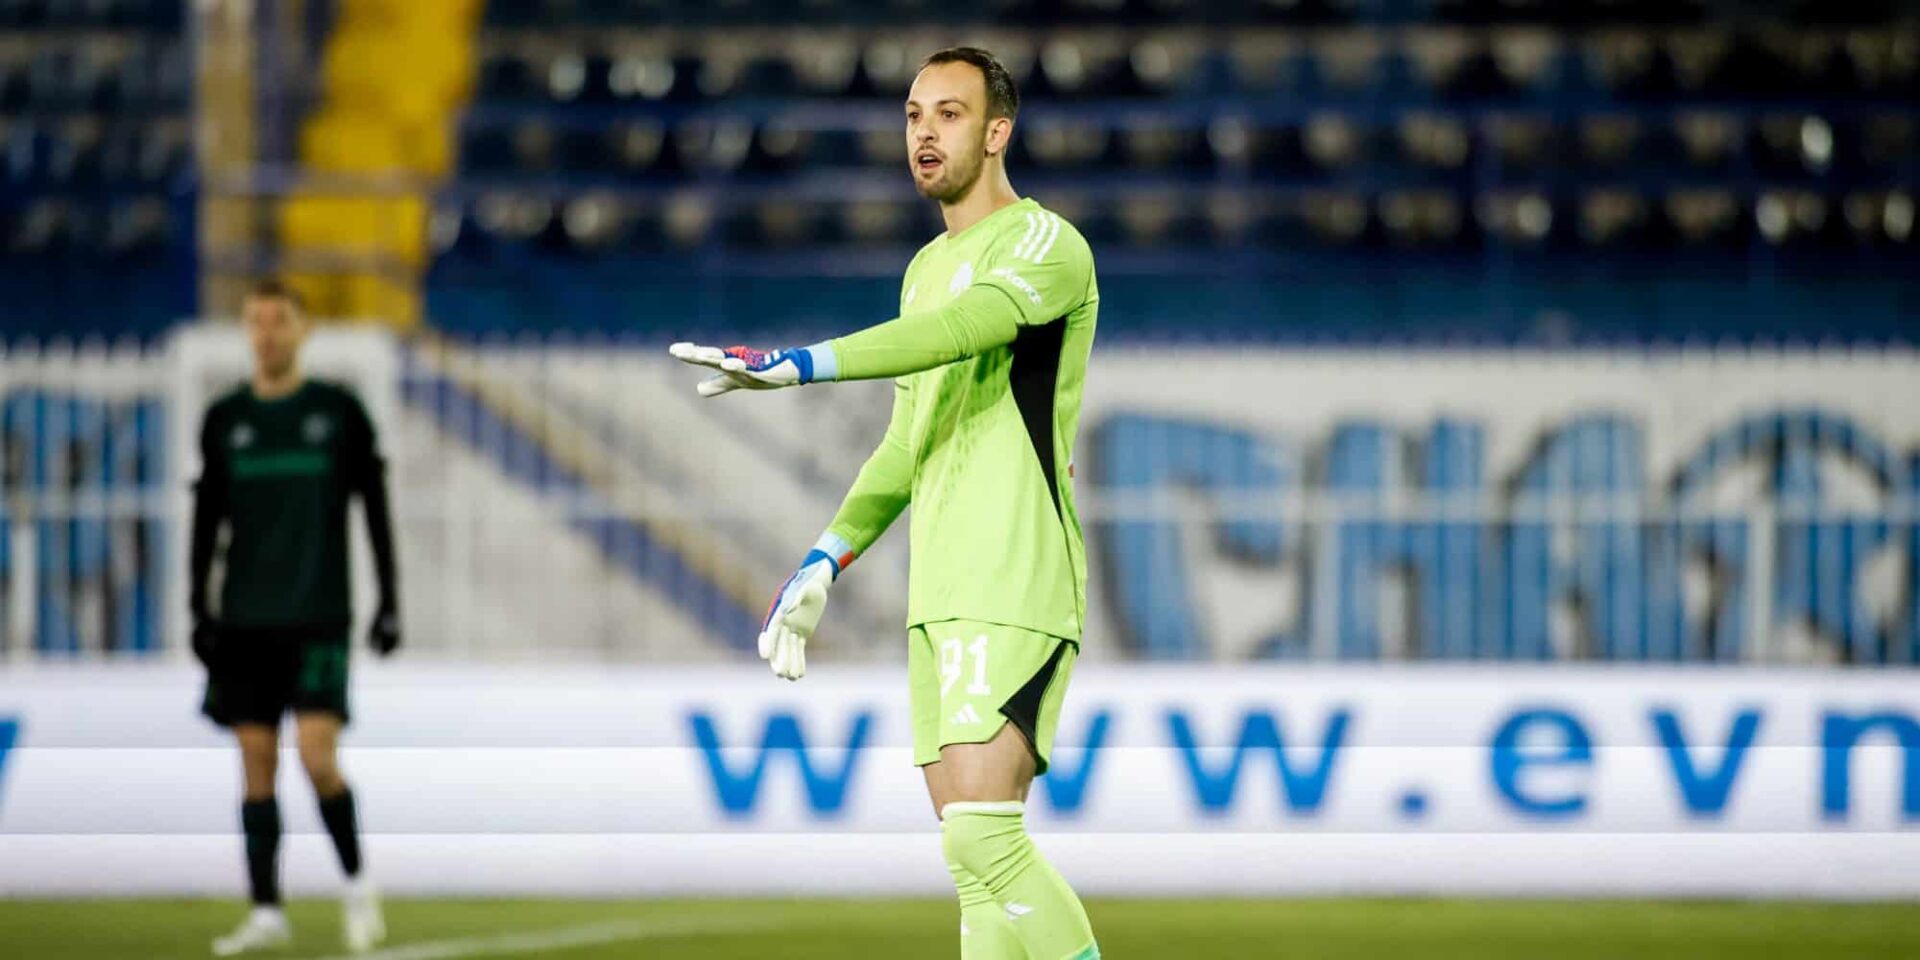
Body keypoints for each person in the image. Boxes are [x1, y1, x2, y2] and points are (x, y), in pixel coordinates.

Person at [671, 47, 1100, 960]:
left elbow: (965, 329)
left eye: (949, 114)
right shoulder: (922, 270)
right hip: (937, 590)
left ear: (997, 132)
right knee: (972, 869)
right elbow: (907, 444)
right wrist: (825, 556)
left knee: (985, 840)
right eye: (912, 115)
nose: (924, 133)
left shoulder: (1045, 244)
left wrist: (800, 364)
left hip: (1014, 576)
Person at [190, 279, 400, 955]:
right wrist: (198, 605)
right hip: (245, 619)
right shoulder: (226, 419)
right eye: (256, 321)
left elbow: (374, 505)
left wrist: (390, 600)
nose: (267, 333)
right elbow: (206, 517)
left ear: (303, 330)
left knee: (316, 757)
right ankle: (265, 910)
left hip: (318, 615)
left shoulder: (336, 412)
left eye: (279, 320)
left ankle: (356, 882)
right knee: (255, 763)